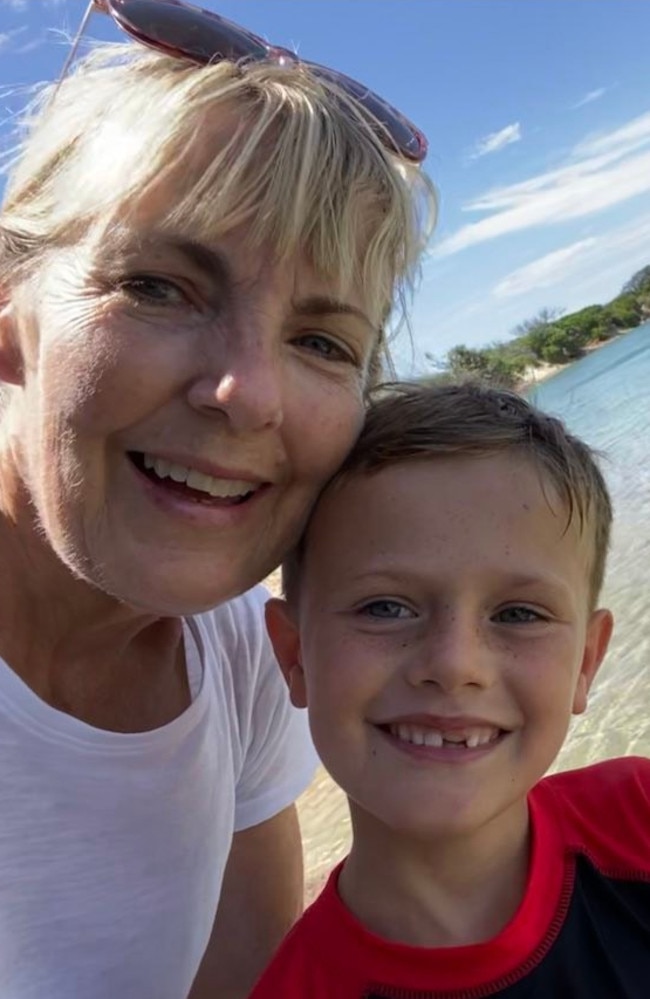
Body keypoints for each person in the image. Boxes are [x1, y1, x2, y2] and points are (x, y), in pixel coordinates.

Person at [0, 1, 436, 996]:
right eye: (160, 287)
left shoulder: (240, 646)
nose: (249, 393)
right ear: (10, 310)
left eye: (324, 343)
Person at [253, 382, 650, 998]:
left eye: (519, 614)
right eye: (385, 607)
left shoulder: (638, 821)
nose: (455, 664)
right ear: (293, 654)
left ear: (587, 663)